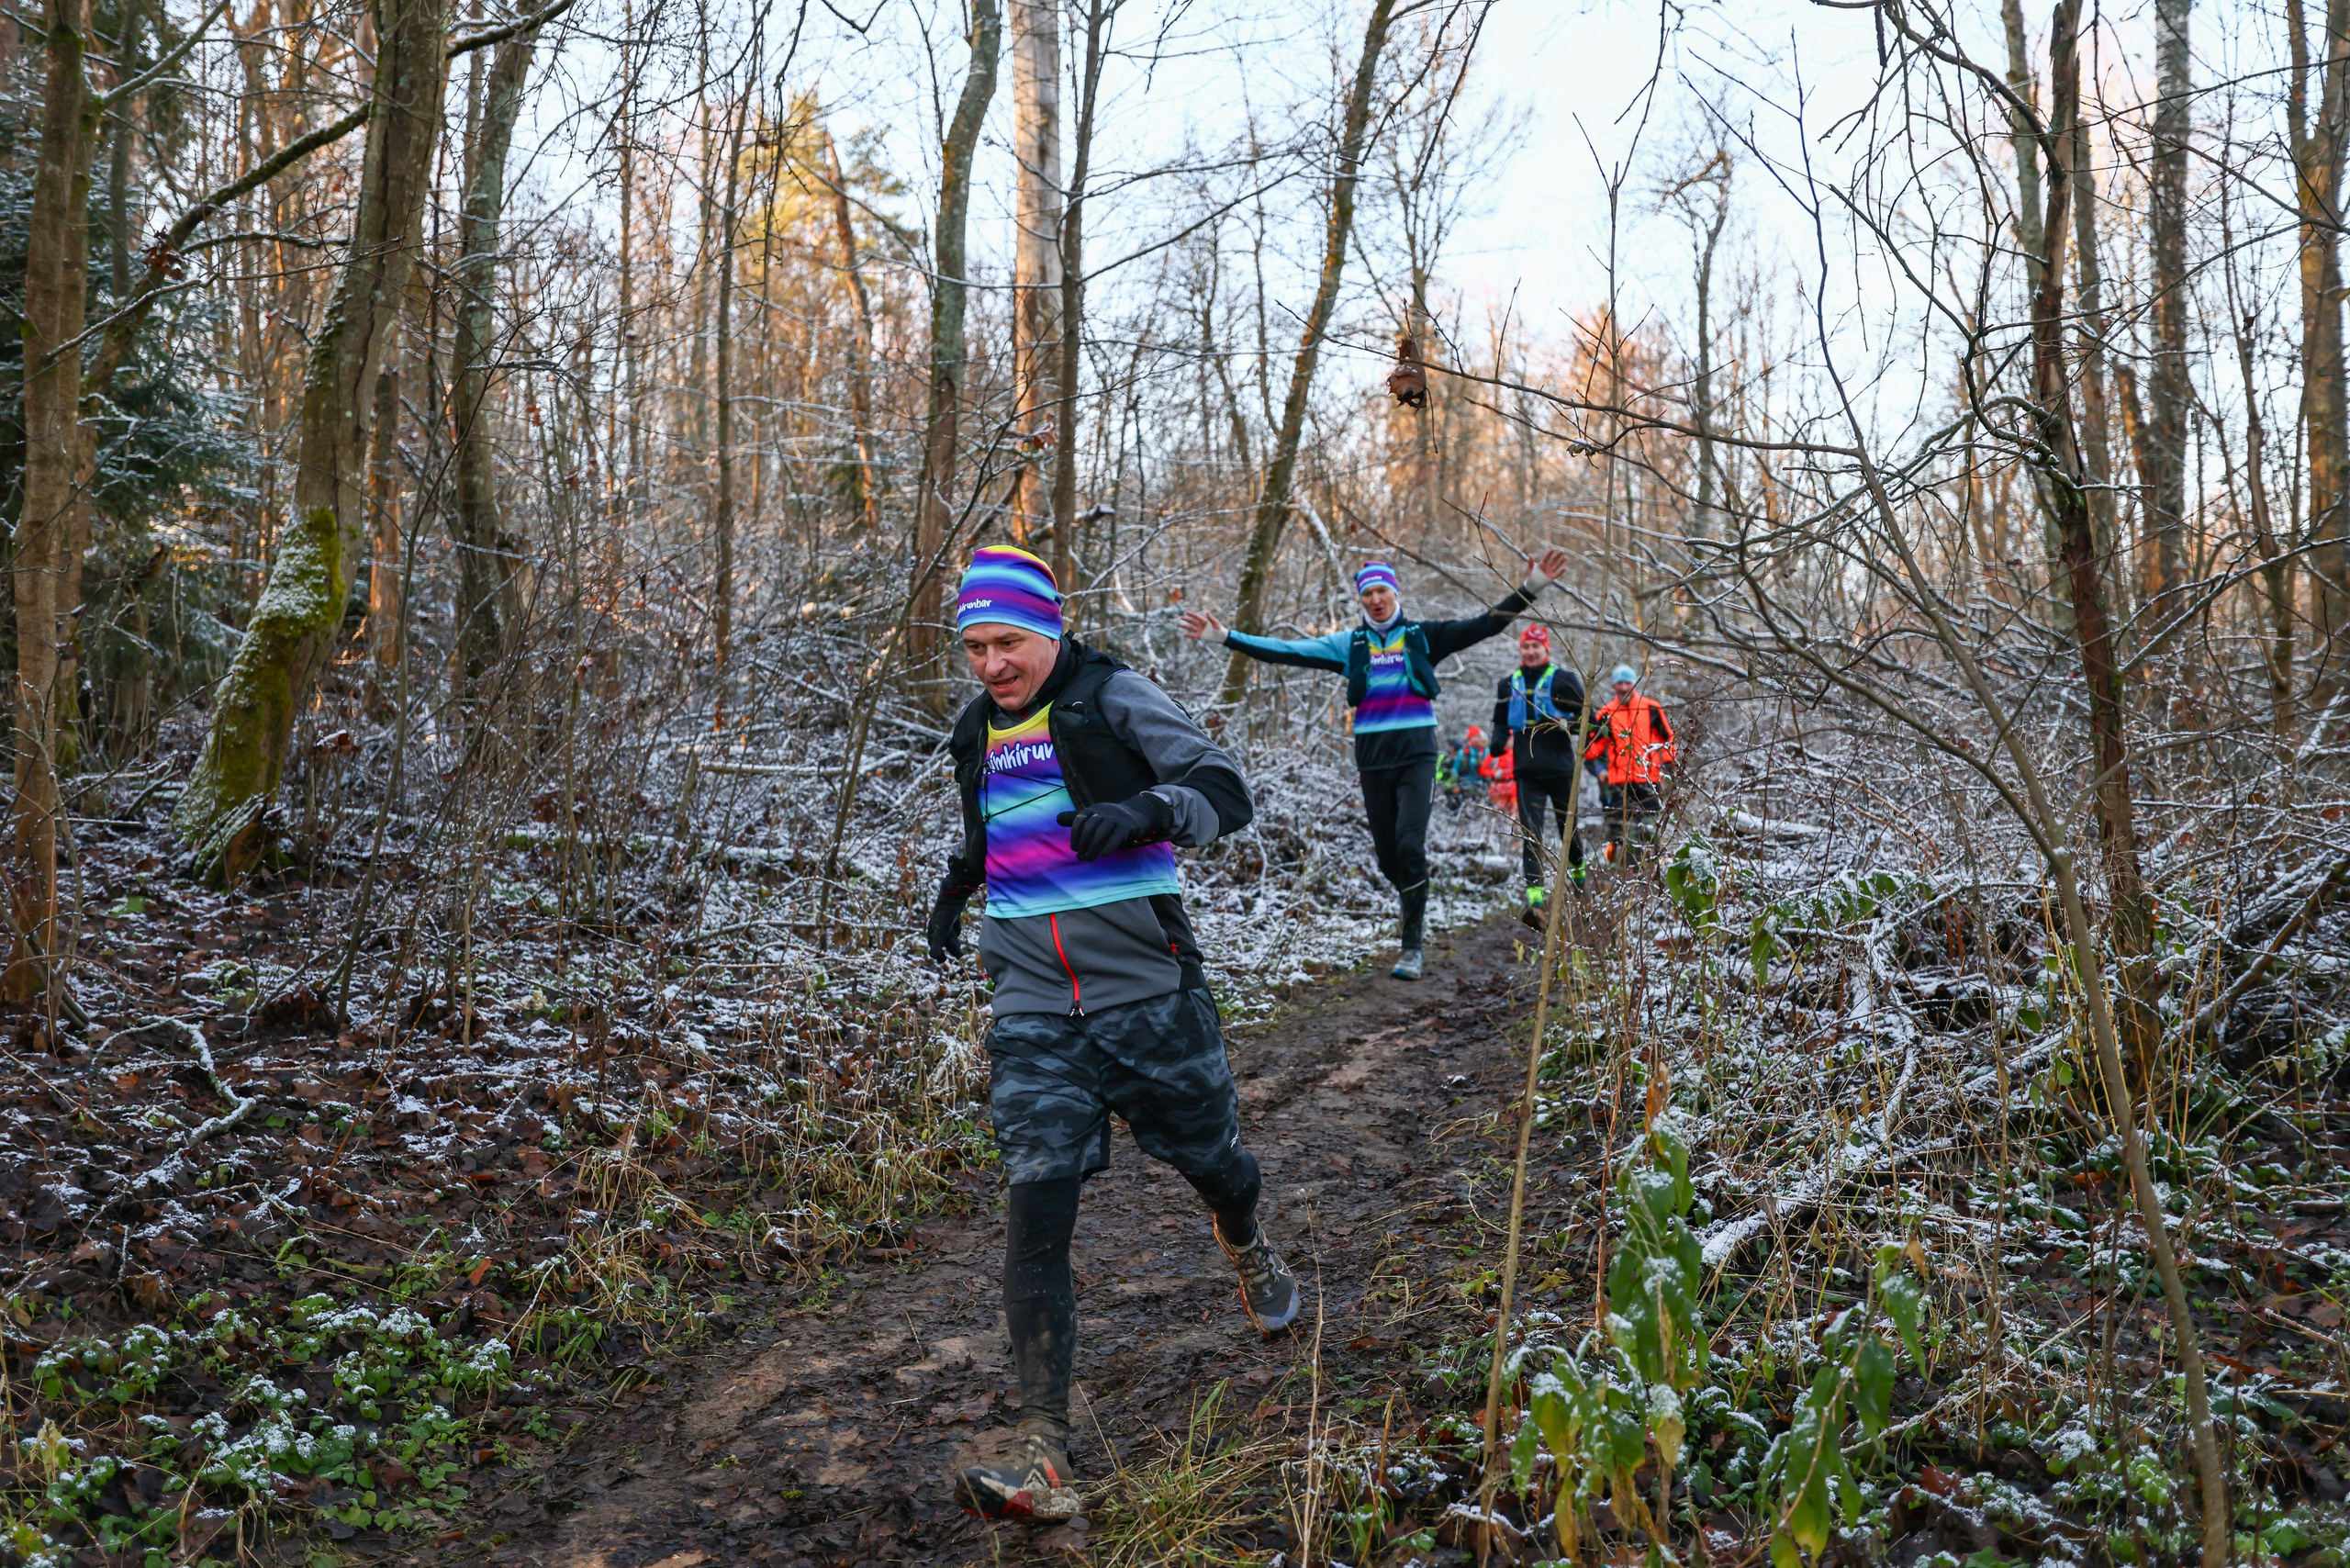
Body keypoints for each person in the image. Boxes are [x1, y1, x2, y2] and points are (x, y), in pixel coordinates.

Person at [928, 545, 1298, 1523]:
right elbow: (992, 828)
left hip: (1147, 990)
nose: (992, 664)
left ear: (1049, 630)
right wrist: (958, 885)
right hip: (1033, 1008)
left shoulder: (1111, 697)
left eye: (1008, 642)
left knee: (1213, 1158)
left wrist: (1147, 809)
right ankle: (1042, 1449)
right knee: (1034, 1201)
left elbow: (1223, 790)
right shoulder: (976, 727)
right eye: (974, 646)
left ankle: (1243, 1233)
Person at [1181, 549, 1569, 980]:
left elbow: (1486, 623)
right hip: (1373, 760)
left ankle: (1412, 945)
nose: (1375, 599)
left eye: (1382, 590)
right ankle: (1415, 899)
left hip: (1418, 755)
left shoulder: (1423, 637)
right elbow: (1286, 651)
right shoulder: (1351, 646)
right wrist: (1226, 637)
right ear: (1362, 600)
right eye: (1367, 594)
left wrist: (1531, 587)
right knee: (1387, 857)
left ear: (1395, 592)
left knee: (1408, 845)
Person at [1492, 624, 1589, 924]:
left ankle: (1580, 879)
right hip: (1527, 772)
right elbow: (1498, 722)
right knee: (1531, 836)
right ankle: (1536, 903)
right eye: (1526, 647)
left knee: (1567, 832)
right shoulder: (1508, 685)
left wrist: (1568, 724)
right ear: (1520, 650)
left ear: (1547, 649)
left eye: (1536, 647)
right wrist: (1496, 743)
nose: (1531, 652)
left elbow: (1591, 721)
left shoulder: (1564, 680)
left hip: (1561, 770)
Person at [1583, 663, 1675, 863]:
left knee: (1653, 826)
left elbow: (1667, 739)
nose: (1624, 688)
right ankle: (1617, 870)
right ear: (1614, 686)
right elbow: (1591, 751)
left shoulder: (1651, 708)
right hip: (1618, 783)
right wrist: (1600, 770)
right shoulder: (1605, 713)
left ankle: (1656, 865)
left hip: (1648, 779)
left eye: (1627, 683)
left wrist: (1668, 768)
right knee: (1618, 831)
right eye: (1619, 684)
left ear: (1634, 684)